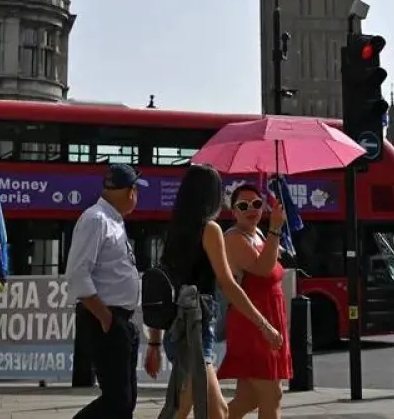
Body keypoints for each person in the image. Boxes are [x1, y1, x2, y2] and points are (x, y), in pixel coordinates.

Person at [145, 164, 283, 419]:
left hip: (177, 330)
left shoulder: (175, 231)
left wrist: (154, 342)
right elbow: (228, 283)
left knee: (181, 408)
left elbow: (163, 288)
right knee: (216, 411)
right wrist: (264, 325)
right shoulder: (210, 229)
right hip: (195, 332)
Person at [65, 164, 143, 419]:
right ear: (129, 191)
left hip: (119, 320)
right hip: (104, 319)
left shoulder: (114, 220)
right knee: (117, 401)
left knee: (126, 401)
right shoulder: (96, 219)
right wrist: (106, 318)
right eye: (136, 190)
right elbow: (78, 273)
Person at [219, 184, 291, 418]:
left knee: (248, 398)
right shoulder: (233, 238)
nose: (251, 209)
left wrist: (274, 235)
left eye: (257, 204)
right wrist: (275, 229)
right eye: (243, 205)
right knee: (272, 395)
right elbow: (263, 268)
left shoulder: (258, 234)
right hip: (252, 322)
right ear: (234, 212)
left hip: (270, 317)